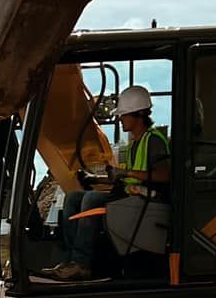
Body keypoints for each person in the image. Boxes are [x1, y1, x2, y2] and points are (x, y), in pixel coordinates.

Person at [45, 86, 171, 283]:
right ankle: (70, 260)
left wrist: (125, 172)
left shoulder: (154, 140)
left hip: (146, 202)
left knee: (91, 198)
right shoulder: (134, 143)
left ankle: (82, 264)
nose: (119, 119)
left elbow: (164, 175)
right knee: (73, 197)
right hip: (130, 195)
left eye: (123, 115)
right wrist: (95, 179)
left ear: (138, 114)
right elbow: (127, 179)